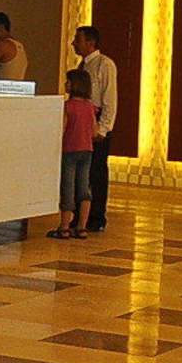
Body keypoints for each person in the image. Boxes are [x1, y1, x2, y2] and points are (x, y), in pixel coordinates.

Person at [72, 24, 119, 233]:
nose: (73, 43)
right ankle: (79, 214)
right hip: (82, 122)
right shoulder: (82, 66)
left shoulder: (104, 65)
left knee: (96, 171)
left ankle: (97, 216)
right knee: (80, 170)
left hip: (96, 122)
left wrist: (103, 128)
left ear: (90, 43)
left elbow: (110, 98)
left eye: (78, 40)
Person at [51, 68, 97, 240]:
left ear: (75, 85)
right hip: (87, 150)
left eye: (68, 82)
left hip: (69, 150)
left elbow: (62, 129)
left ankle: (64, 227)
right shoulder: (90, 107)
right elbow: (94, 131)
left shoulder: (67, 106)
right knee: (84, 187)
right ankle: (82, 227)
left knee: (68, 187)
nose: (65, 84)